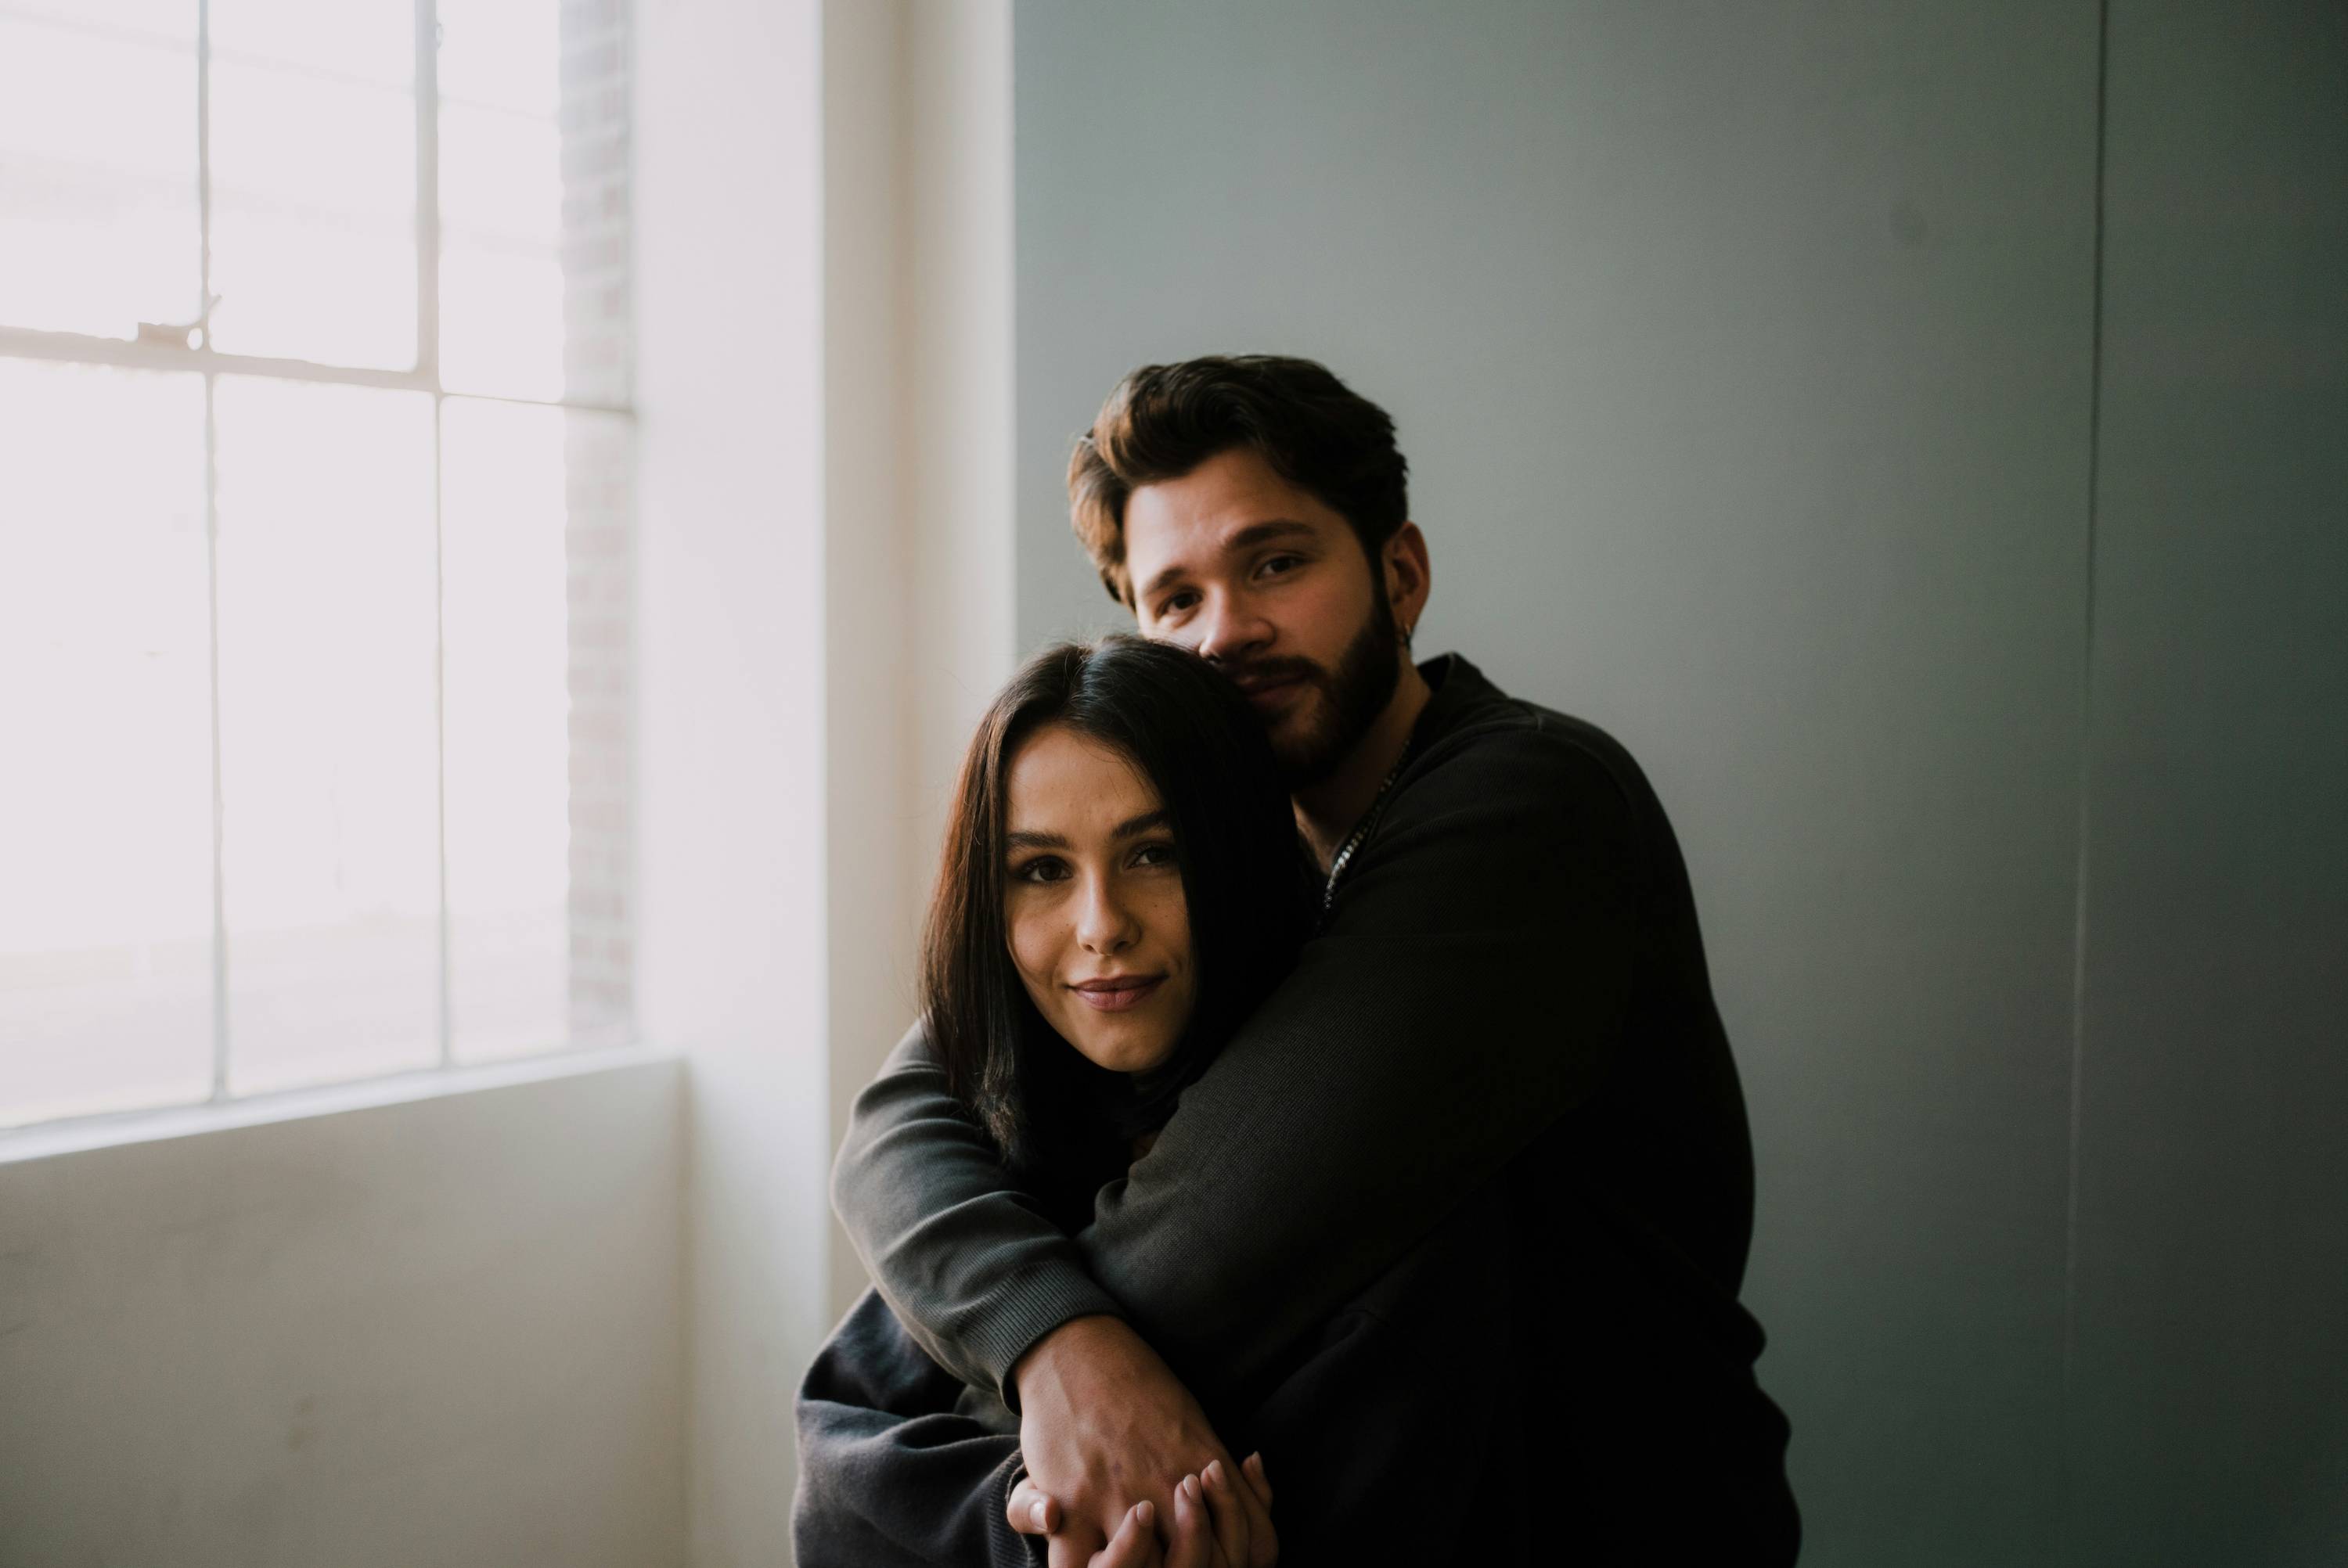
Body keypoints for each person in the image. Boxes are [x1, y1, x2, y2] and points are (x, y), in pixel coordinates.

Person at [833, 356, 1801, 1563]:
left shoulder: (1528, 809)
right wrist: (1047, 1346)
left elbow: (1205, 1247)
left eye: (1275, 565)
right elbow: (903, 1121)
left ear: (1400, 575)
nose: (1227, 633)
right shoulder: (1231, 864)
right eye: (1175, 599)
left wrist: (908, 1434)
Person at [794, 635, 1306, 1566]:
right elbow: (836, 1490)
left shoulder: (1339, 1126)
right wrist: (1038, 1520)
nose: (1101, 924)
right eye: (1041, 870)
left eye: (1155, 853)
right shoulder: (999, 1142)